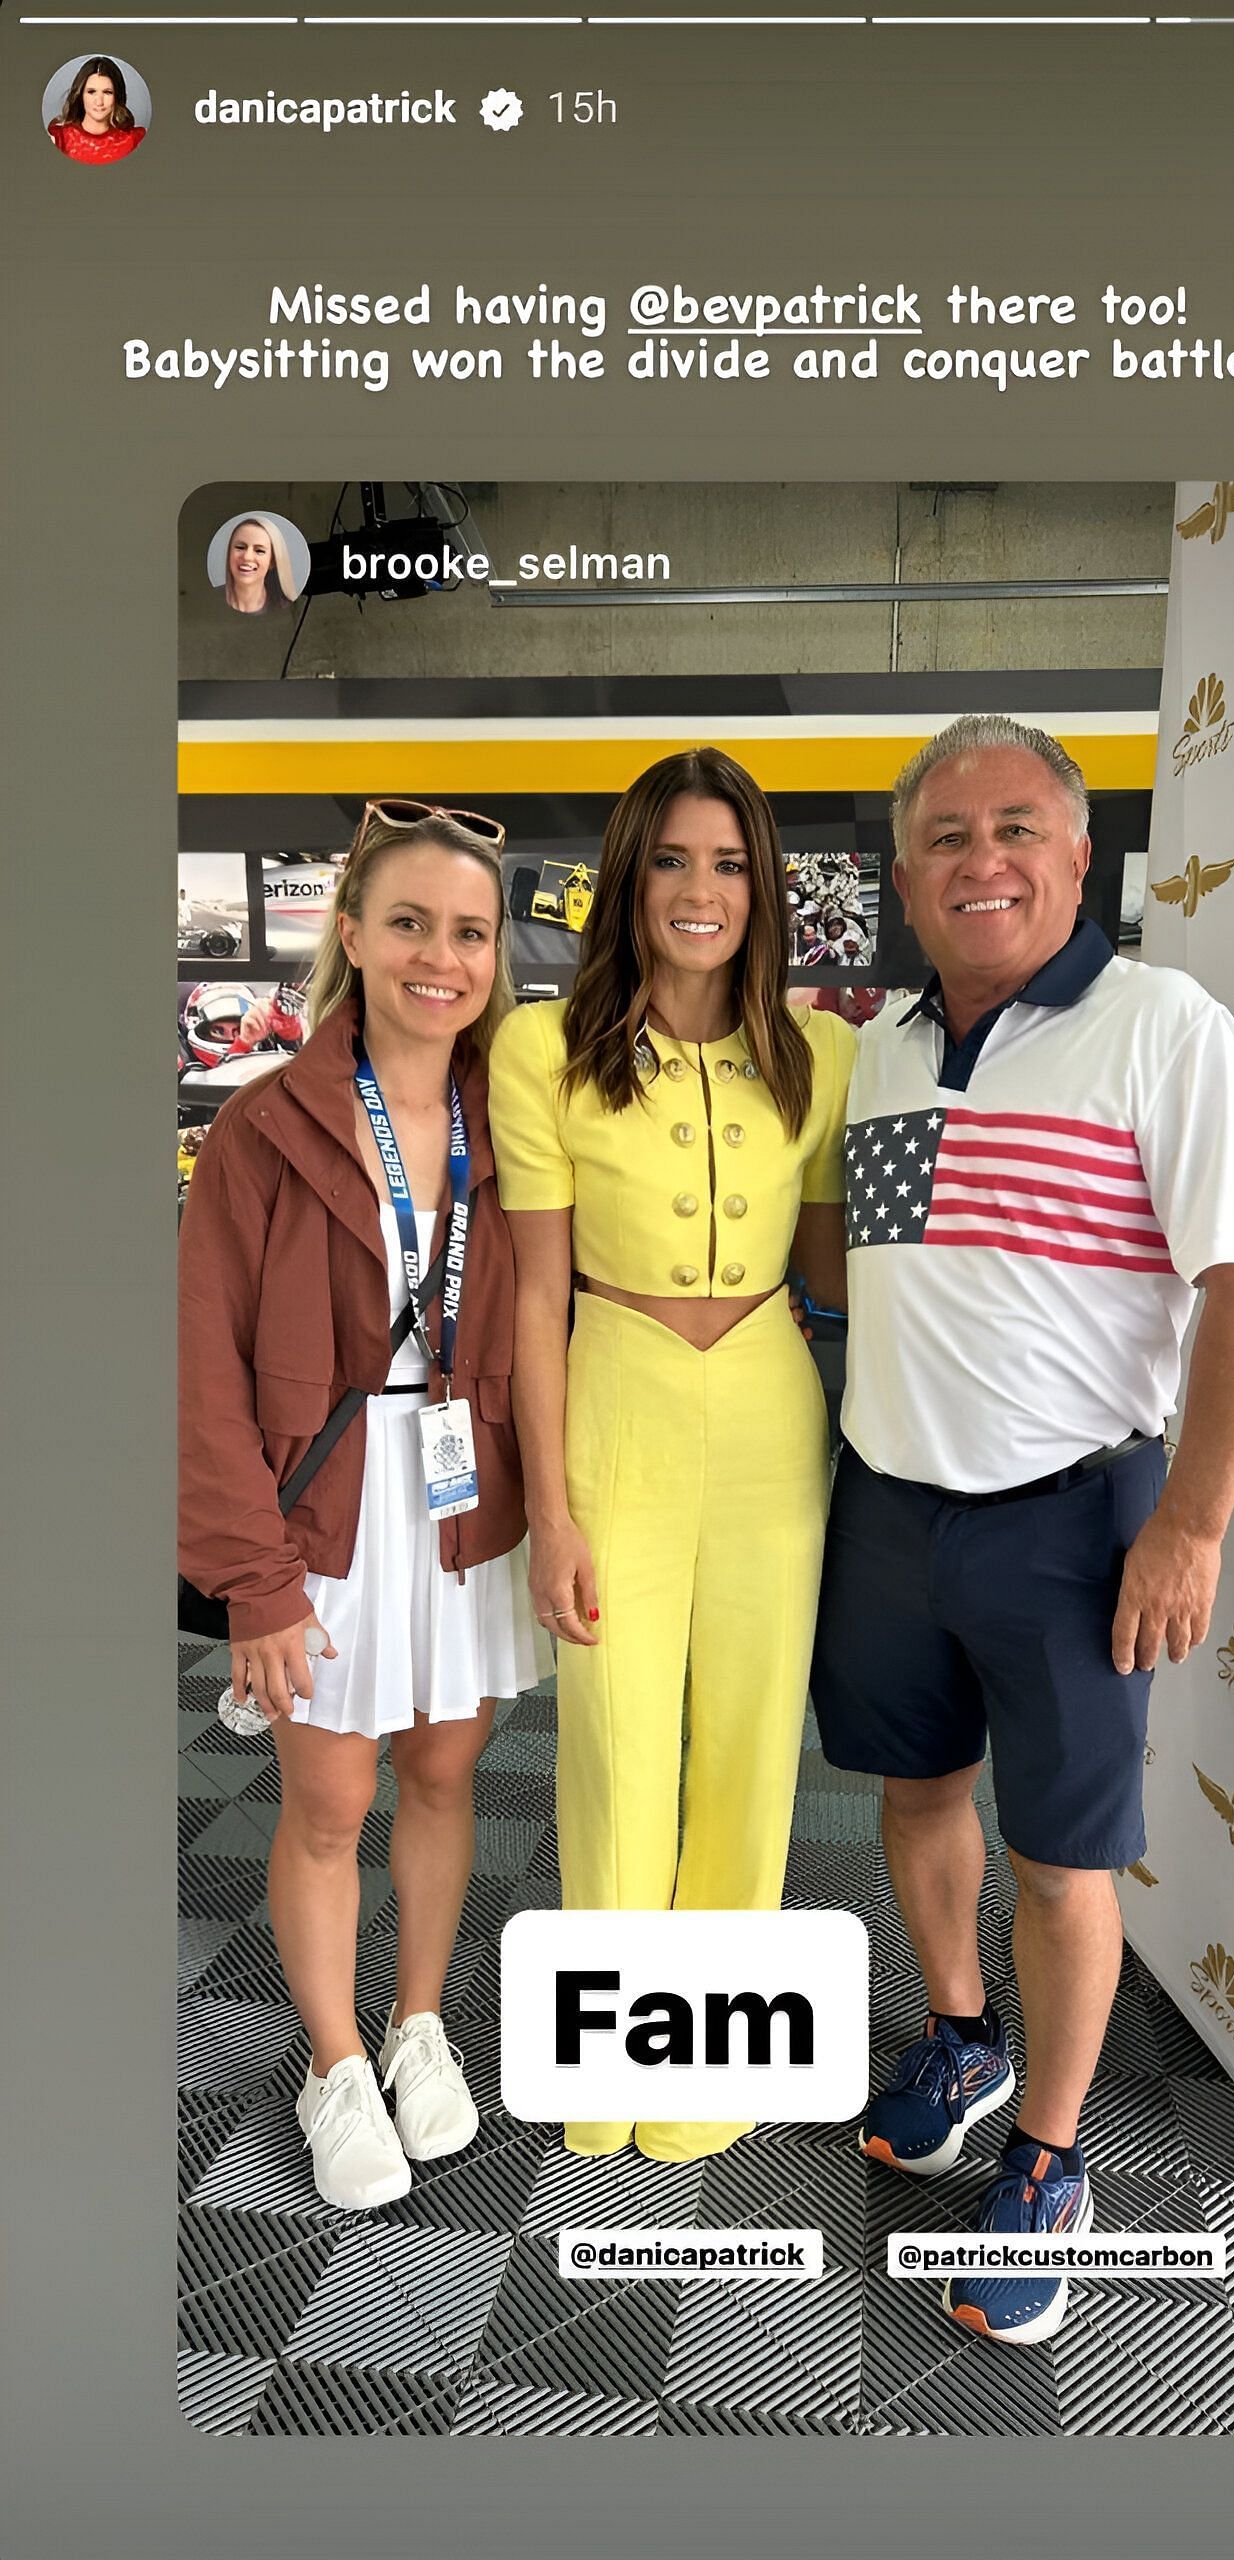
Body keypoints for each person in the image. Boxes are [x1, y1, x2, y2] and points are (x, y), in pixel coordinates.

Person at [810, 713, 1234, 2346]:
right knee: (916, 1791)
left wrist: (1191, 1520)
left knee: (1061, 1861)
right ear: (902, 873)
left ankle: (1049, 2159)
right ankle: (957, 2033)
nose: (978, 859)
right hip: (882, 1500)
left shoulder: (1162, 1026)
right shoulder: (873, 1044)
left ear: (1078, 858)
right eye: (942, 837)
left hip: (1072, 1517)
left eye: (1015, 827)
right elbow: (861, 1267)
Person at [179, 800, 550, 2211]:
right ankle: (332, 2061)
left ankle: (417, 2021)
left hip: (467, 1494)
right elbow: (200, 1372)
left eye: (467, 931)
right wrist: (250, 1582)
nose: (439, 957)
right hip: (319, 1504)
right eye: (408, 924)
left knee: (446, 1776)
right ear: (350, 934)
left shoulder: (515, 1117)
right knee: (329, 1797)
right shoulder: (264, 1128)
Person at [489, 747, 855, 2164]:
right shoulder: (543, 1050)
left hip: (769, 1407)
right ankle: (606, 2064)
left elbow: (834, 1263)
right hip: (616, 1402)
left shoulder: (818, 1054)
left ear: (762, 886)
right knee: (615, 1744)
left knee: (754, 1746)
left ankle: (708, 2069)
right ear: (627, 877)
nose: (701, 891)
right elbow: (531, 1295)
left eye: (728, 863)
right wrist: (552, 1509)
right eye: (671, 860)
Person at [47, 57, 146, 164]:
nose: (99, 102)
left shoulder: (136, 140)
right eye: (91, 92)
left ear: (117, 96)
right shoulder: (58, 138)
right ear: (80, 95)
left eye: (107, 92)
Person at [223, 516, 298, 614]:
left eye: (259, 551)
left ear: (272, 561)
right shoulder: (208, 599)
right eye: (240, 547)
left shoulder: (285, 608)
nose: (247, 557)